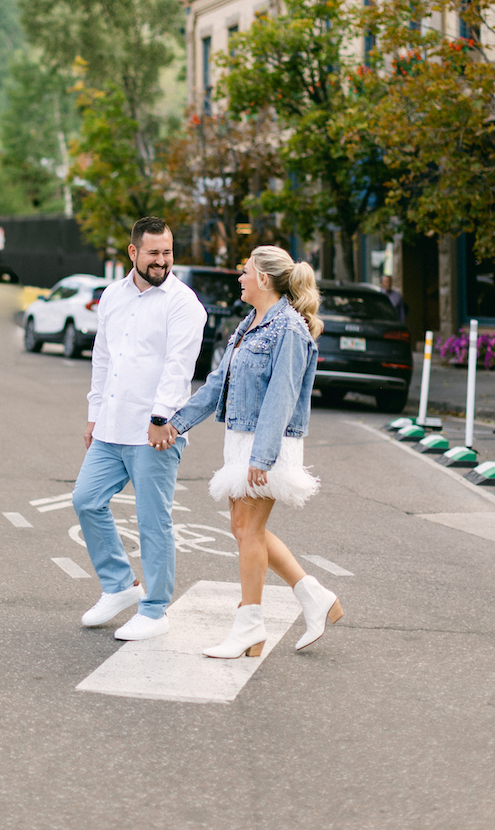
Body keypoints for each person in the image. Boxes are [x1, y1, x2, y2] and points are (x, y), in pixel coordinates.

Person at [156, 246, 344, 658]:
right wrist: (176, 422)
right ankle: (313, 596)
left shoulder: (289, 329)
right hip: (242, 439)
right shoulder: (249, 324)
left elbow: (282, 395)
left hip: (268, 442)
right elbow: (217, 382)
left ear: (263, 278)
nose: (239, 278)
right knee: (243, 529)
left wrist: (263, 456)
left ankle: (251, 627)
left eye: (245, 272)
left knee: (248, 529)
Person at [72, 217, 207, 640]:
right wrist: (94, 414)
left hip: (155, 432)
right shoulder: (113, 295)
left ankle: (154, 609)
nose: (161, 261)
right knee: (86, 500)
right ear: (133, 252)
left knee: (153, 521)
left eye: (167, 252)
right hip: (112, 426)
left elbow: (179, 367)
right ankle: (119, 586)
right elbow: (103, 358)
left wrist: (161, 418)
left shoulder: (183, 304)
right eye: (153, 253)